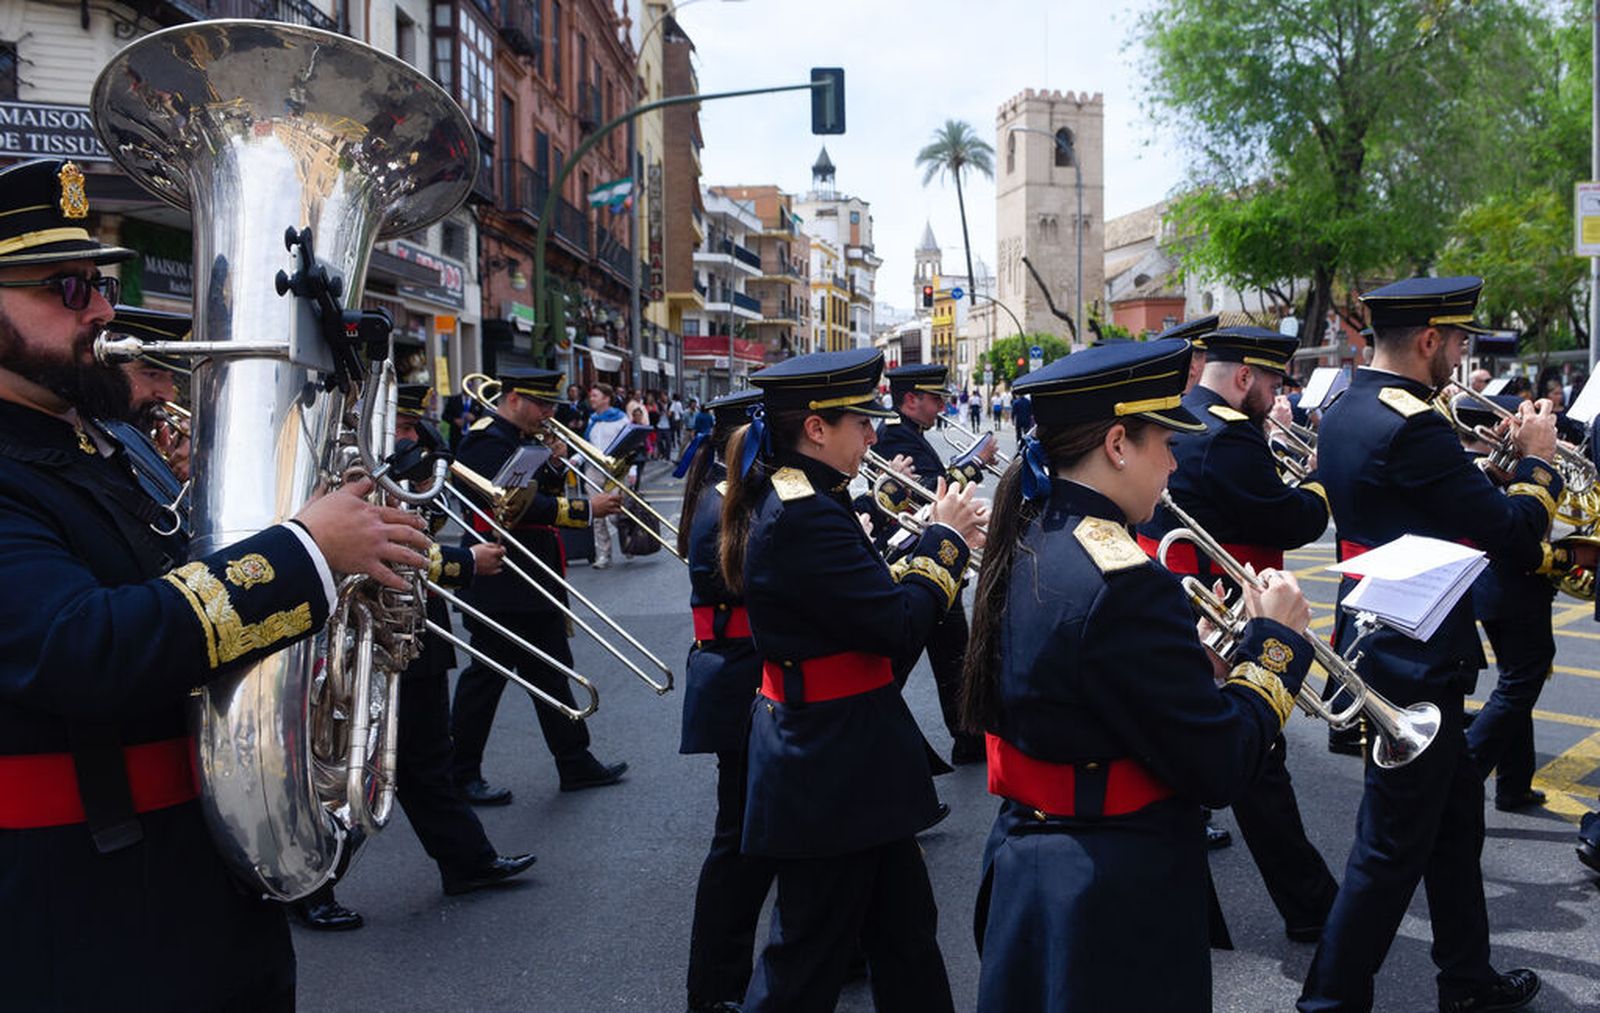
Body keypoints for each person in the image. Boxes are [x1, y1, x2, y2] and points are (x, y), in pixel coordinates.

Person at [0, 157, 435, 1010]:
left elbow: (191, 589)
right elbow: (79, 646)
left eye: (98, 282)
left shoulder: (106, 442)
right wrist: (305, 550)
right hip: (90, 915)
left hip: (210, 885)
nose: (101, 308)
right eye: (64, 286)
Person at [963, 337, 1314, 1011]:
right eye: (1166, 443)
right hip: (1111, 891)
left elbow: (1087, 685)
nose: (1175, 463)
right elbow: (1219, 764)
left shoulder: (1033, 531)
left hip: (1031, 864)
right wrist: (1274, 644)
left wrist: (1193, 657)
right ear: (1118, 443)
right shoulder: (1126, 579)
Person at [1299, 276, 1560, 1013]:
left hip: (1386, 631)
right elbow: (1511, 535)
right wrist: (1537, 463)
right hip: (1414, 651)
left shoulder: (1350, 403)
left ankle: (1467, 980)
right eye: (1457, 339)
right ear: (1427, 340)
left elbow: (1419, 501)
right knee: (1387, 849)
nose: (1460, 352)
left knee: (1453, 828)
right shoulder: (1414, 423)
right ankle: (1328, 1001)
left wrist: (1492, 470)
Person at [719, 346, 985, 1012]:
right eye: (859, 421)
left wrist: (917, 545)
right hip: (831, 764)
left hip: (847, 755)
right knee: (803, 961)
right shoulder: (805, 509)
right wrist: (943, 543)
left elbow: (852, 606)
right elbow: (896, 627)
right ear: (815, 426)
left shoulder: (808, 494)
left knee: (906, 937)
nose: (872, 432)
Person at [291, 385, 538, 931]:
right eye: (397, 423)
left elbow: (415, 533)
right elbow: (355, 551)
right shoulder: (324, 462)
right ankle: (309, 884)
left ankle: (466, 861)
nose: (405, 435)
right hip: (351, 632)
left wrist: (423, 489)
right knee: (341, 767)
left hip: (407, 624)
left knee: (426, 757)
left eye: (408, 423)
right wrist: (463, 564)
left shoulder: (399, 458)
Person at [1135, 326, 1340, 942]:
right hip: (1228, 603)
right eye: (1273, 381)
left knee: (1197, 742)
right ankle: (1310, 904)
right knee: (1257, 753)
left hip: (1181, 593)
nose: (1279, 392)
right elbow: (1292, 518)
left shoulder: (1191, 413)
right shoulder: (1232, 438)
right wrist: (1318, 479)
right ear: (1246, 378)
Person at [449, 369, 628, 804]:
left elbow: (532, 492)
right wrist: (586, 509)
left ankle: (574, 761)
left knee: (552, 673)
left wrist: (550, 462)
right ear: (513, 398)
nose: (549, 414)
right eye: (542, 405)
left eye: (551, 406)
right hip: (503, 579)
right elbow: (510, 509)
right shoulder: (487, 440)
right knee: (486, 680)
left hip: (531, 577)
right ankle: (460, 774)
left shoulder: (518, 439)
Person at [679, 388, 773, 1013]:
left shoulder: (732, 496)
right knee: (739, 847)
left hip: (743, 680)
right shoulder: (727, 505)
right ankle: (713, 992)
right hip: (740, 683)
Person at [865, 362, 995, 766]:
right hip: (915, 564)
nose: (941, 406)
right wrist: (975, 462)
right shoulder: (895, 440)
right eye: (935, 398)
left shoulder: (910, 435)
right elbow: (939, 496)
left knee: (955, 652)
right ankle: (872, 725)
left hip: (935, 560)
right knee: (910, 658)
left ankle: (970, 739)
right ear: (910, 400)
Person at [1448, 395, 1558, 813]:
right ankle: (1463, 779)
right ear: (1496, 427)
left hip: (1500, 587)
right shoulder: (1481, 469)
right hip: (1510, 585)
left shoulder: (1488, 466)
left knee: (1519, 675)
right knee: (1520, 681)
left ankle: (1515, 783)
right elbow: (1523, 530)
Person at [585, 381, 633, 569]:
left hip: (615, 469)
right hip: (593, 468)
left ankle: (627, 543)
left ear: (606, 398)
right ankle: (604, 554)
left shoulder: (621, 419)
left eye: (595, 396)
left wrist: (633, 469)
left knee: (615, 513)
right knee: (597, 514)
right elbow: (587, 444)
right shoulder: (592, 419)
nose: (591, 399)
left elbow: (630, 445)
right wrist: (575, 458)